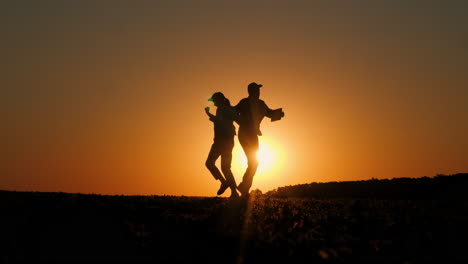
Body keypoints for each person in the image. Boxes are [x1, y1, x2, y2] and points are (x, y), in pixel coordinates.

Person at [235, 82, 284, 198]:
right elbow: (233, 112)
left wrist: (280, 114)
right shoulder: (244, 102)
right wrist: (241, 122)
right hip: (244, 134)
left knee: (254, 163)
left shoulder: (261, 104)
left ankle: (244, 187)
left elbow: (270, 113)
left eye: (259, 90)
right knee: (253, 162)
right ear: (251, 91)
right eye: (256, 90)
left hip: (253, 135)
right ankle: (244, 188)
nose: (258, 92)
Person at [205, 92, 239, 198]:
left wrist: (208, 114)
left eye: (214, 100)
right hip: (228, 141)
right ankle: (234, 192)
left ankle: (225, 183)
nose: (213, 102)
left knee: (210, 163)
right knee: (226, 168)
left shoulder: (222, 109)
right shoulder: (227, 108)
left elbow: (220, 121)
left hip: (221, 141)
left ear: (218, 100)